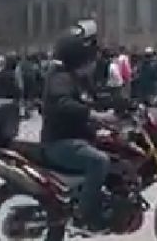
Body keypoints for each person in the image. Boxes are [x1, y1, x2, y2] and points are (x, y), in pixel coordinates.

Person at [40, 20, 116, 233]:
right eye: (91, 54)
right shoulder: (60, 77)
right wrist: (93, 114)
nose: (95, 59)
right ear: (79, 56)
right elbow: (63, 104)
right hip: (60, 143)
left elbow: (97, 97)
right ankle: (83, 216)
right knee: (99, 162)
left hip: (77, 138)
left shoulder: (78, 78)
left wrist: (122, 103)